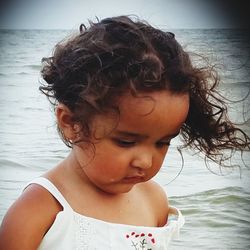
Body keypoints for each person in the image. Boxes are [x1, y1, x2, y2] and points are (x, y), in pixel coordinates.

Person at [0, 15, 249, 250]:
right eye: (126, 142)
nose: (146, 161)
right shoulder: (39, 210)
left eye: (163, 143)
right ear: (71, 123)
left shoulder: (154, 200)